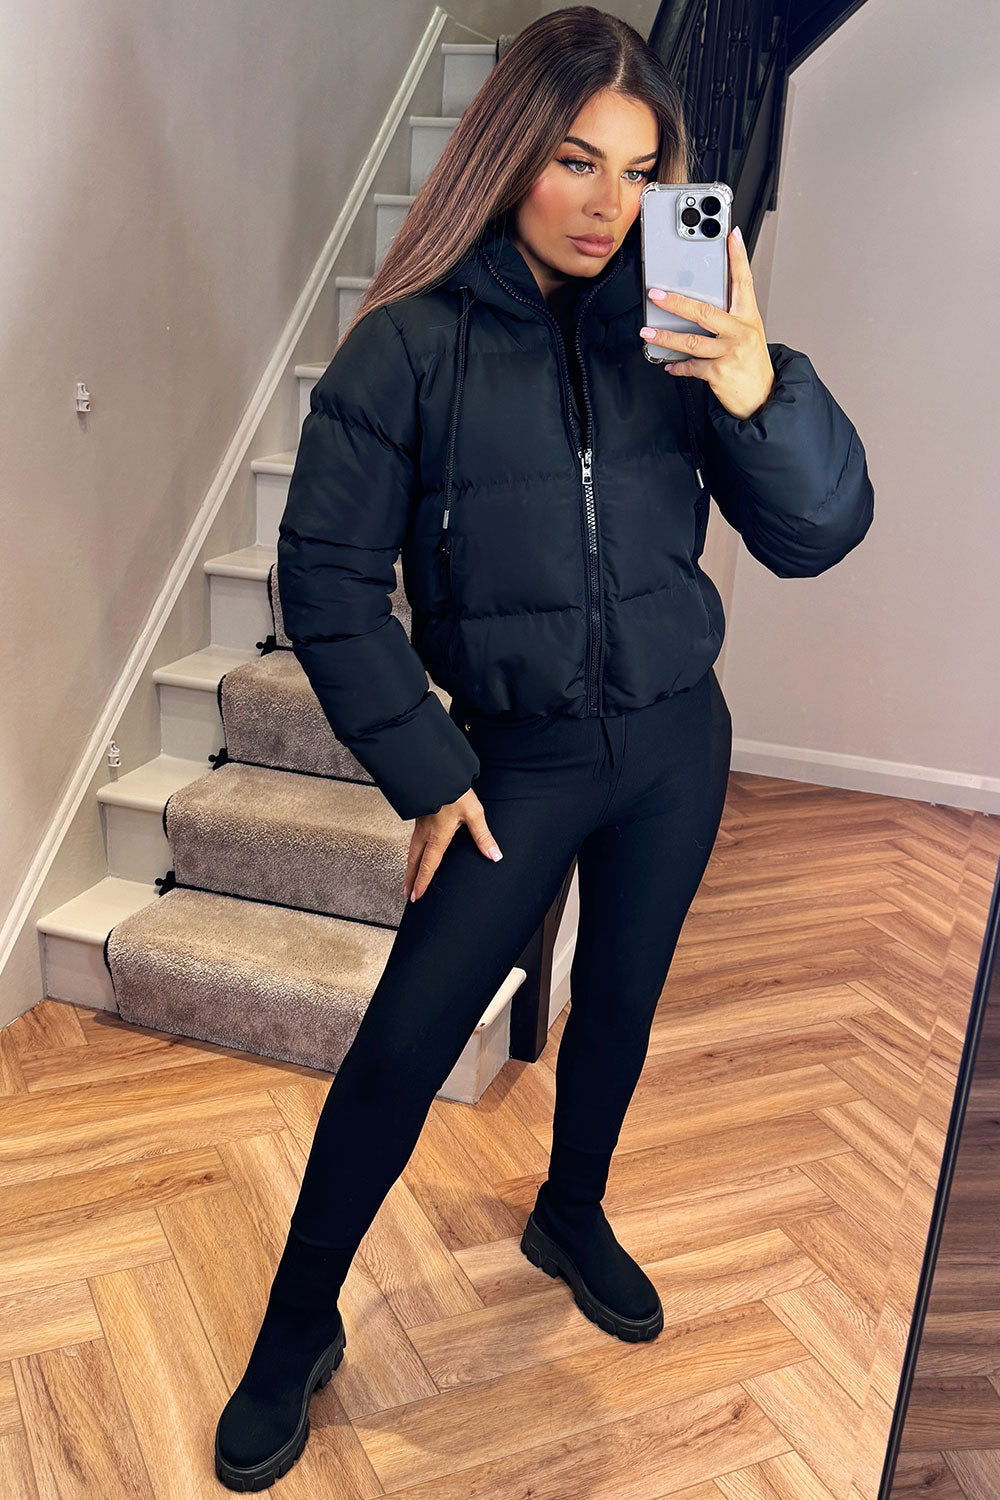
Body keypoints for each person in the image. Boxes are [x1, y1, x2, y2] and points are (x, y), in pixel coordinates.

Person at [215, 5, 875, 1488]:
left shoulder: (678, 340)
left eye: (639, 173)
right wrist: (429, 768)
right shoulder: (408, 351)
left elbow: (819, 532)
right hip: (515, 765)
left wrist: (756, 385)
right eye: (576, 160)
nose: (608, 203)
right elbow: (326, 582)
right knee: (402, 1048)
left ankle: (571, 1213)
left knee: (621, 1001)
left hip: (675, 742)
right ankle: (295, 1326)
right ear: (509, 150)